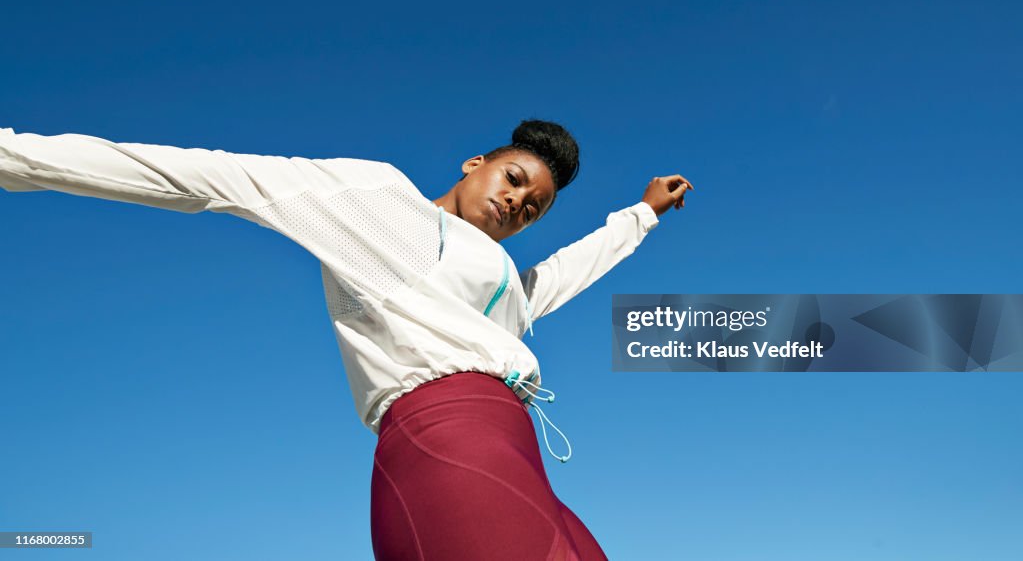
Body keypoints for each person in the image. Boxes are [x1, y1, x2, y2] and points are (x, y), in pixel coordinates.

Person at [0, 119, 692, 560]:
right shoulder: (377, 202)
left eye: (533, 206)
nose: (518, 202)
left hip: (519, 451)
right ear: (473, 162)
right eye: (514, 179)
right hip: (446, 442)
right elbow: (197, 174)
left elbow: (563, 275)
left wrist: (643, 215)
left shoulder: (500, 289)